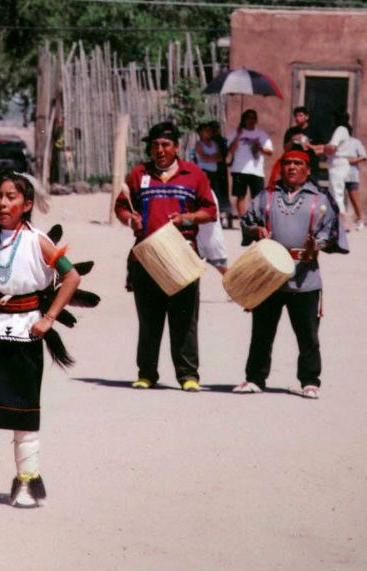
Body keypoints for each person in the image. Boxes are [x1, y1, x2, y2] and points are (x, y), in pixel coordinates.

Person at [0, 172, 81, 508]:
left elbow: (72, 276)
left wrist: (48, 319)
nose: (3, 203)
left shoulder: (38, 241)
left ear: (27, 204)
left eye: (11, 197)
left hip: (24, 333)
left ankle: (26, 481)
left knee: (22, 413)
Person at [234, 148, 348, 398]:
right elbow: (247, 221)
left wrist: (316, 244)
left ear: (307, 169)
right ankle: (254, 378)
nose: (292, 168)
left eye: (298, 164)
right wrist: (255, 231)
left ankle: (310, 381)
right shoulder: (267, 196)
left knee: (308, 334)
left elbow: (332, 232)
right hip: (270, 276)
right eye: (287, 163)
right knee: (262, 331)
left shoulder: (320, 198)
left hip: (304, 277)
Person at [114, 122, 217, 391]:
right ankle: (146, 373)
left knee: (184, 319)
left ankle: (188, 376)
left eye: (165, 145)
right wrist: (131, 219)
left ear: (176, 147)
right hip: (146, 257)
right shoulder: (138, 175)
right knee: (149, 319)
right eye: (155, 145)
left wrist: (187, 217)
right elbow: (122, 207)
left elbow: (210, 211)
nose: (159, 150)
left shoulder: (193, 174)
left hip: (182, 255)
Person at [228, 109, 274, 217]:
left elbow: (270, 151)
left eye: (253, 118)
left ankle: (255, 218)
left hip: (256, 170)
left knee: (257, 197)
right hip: (240, 169)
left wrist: (259, 147)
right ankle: (243, 219)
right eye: (248, 117)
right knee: (240, 196)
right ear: (244, 119)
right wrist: (238, 136)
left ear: (256, 120)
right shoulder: (236, 132)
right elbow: (230, 150)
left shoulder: (261, 134)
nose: (251, 120)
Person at [320, 111, 352, 225]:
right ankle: (335, 221)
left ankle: (341, 223)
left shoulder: (340, 129)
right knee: (336, 192)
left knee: (336, 193)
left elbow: (332, 147)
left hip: (338, 165)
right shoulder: (345, 130)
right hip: (339, 164)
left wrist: (322, 149)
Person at [341, 133, 367, 230]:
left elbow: (363, 156)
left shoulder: (355, 142)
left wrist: (353, 160)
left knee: (354, 197)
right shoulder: (336, 142)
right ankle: (342, 223)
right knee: (340, 199)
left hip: (352, 175)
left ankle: (360, 219)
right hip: (339, 174)